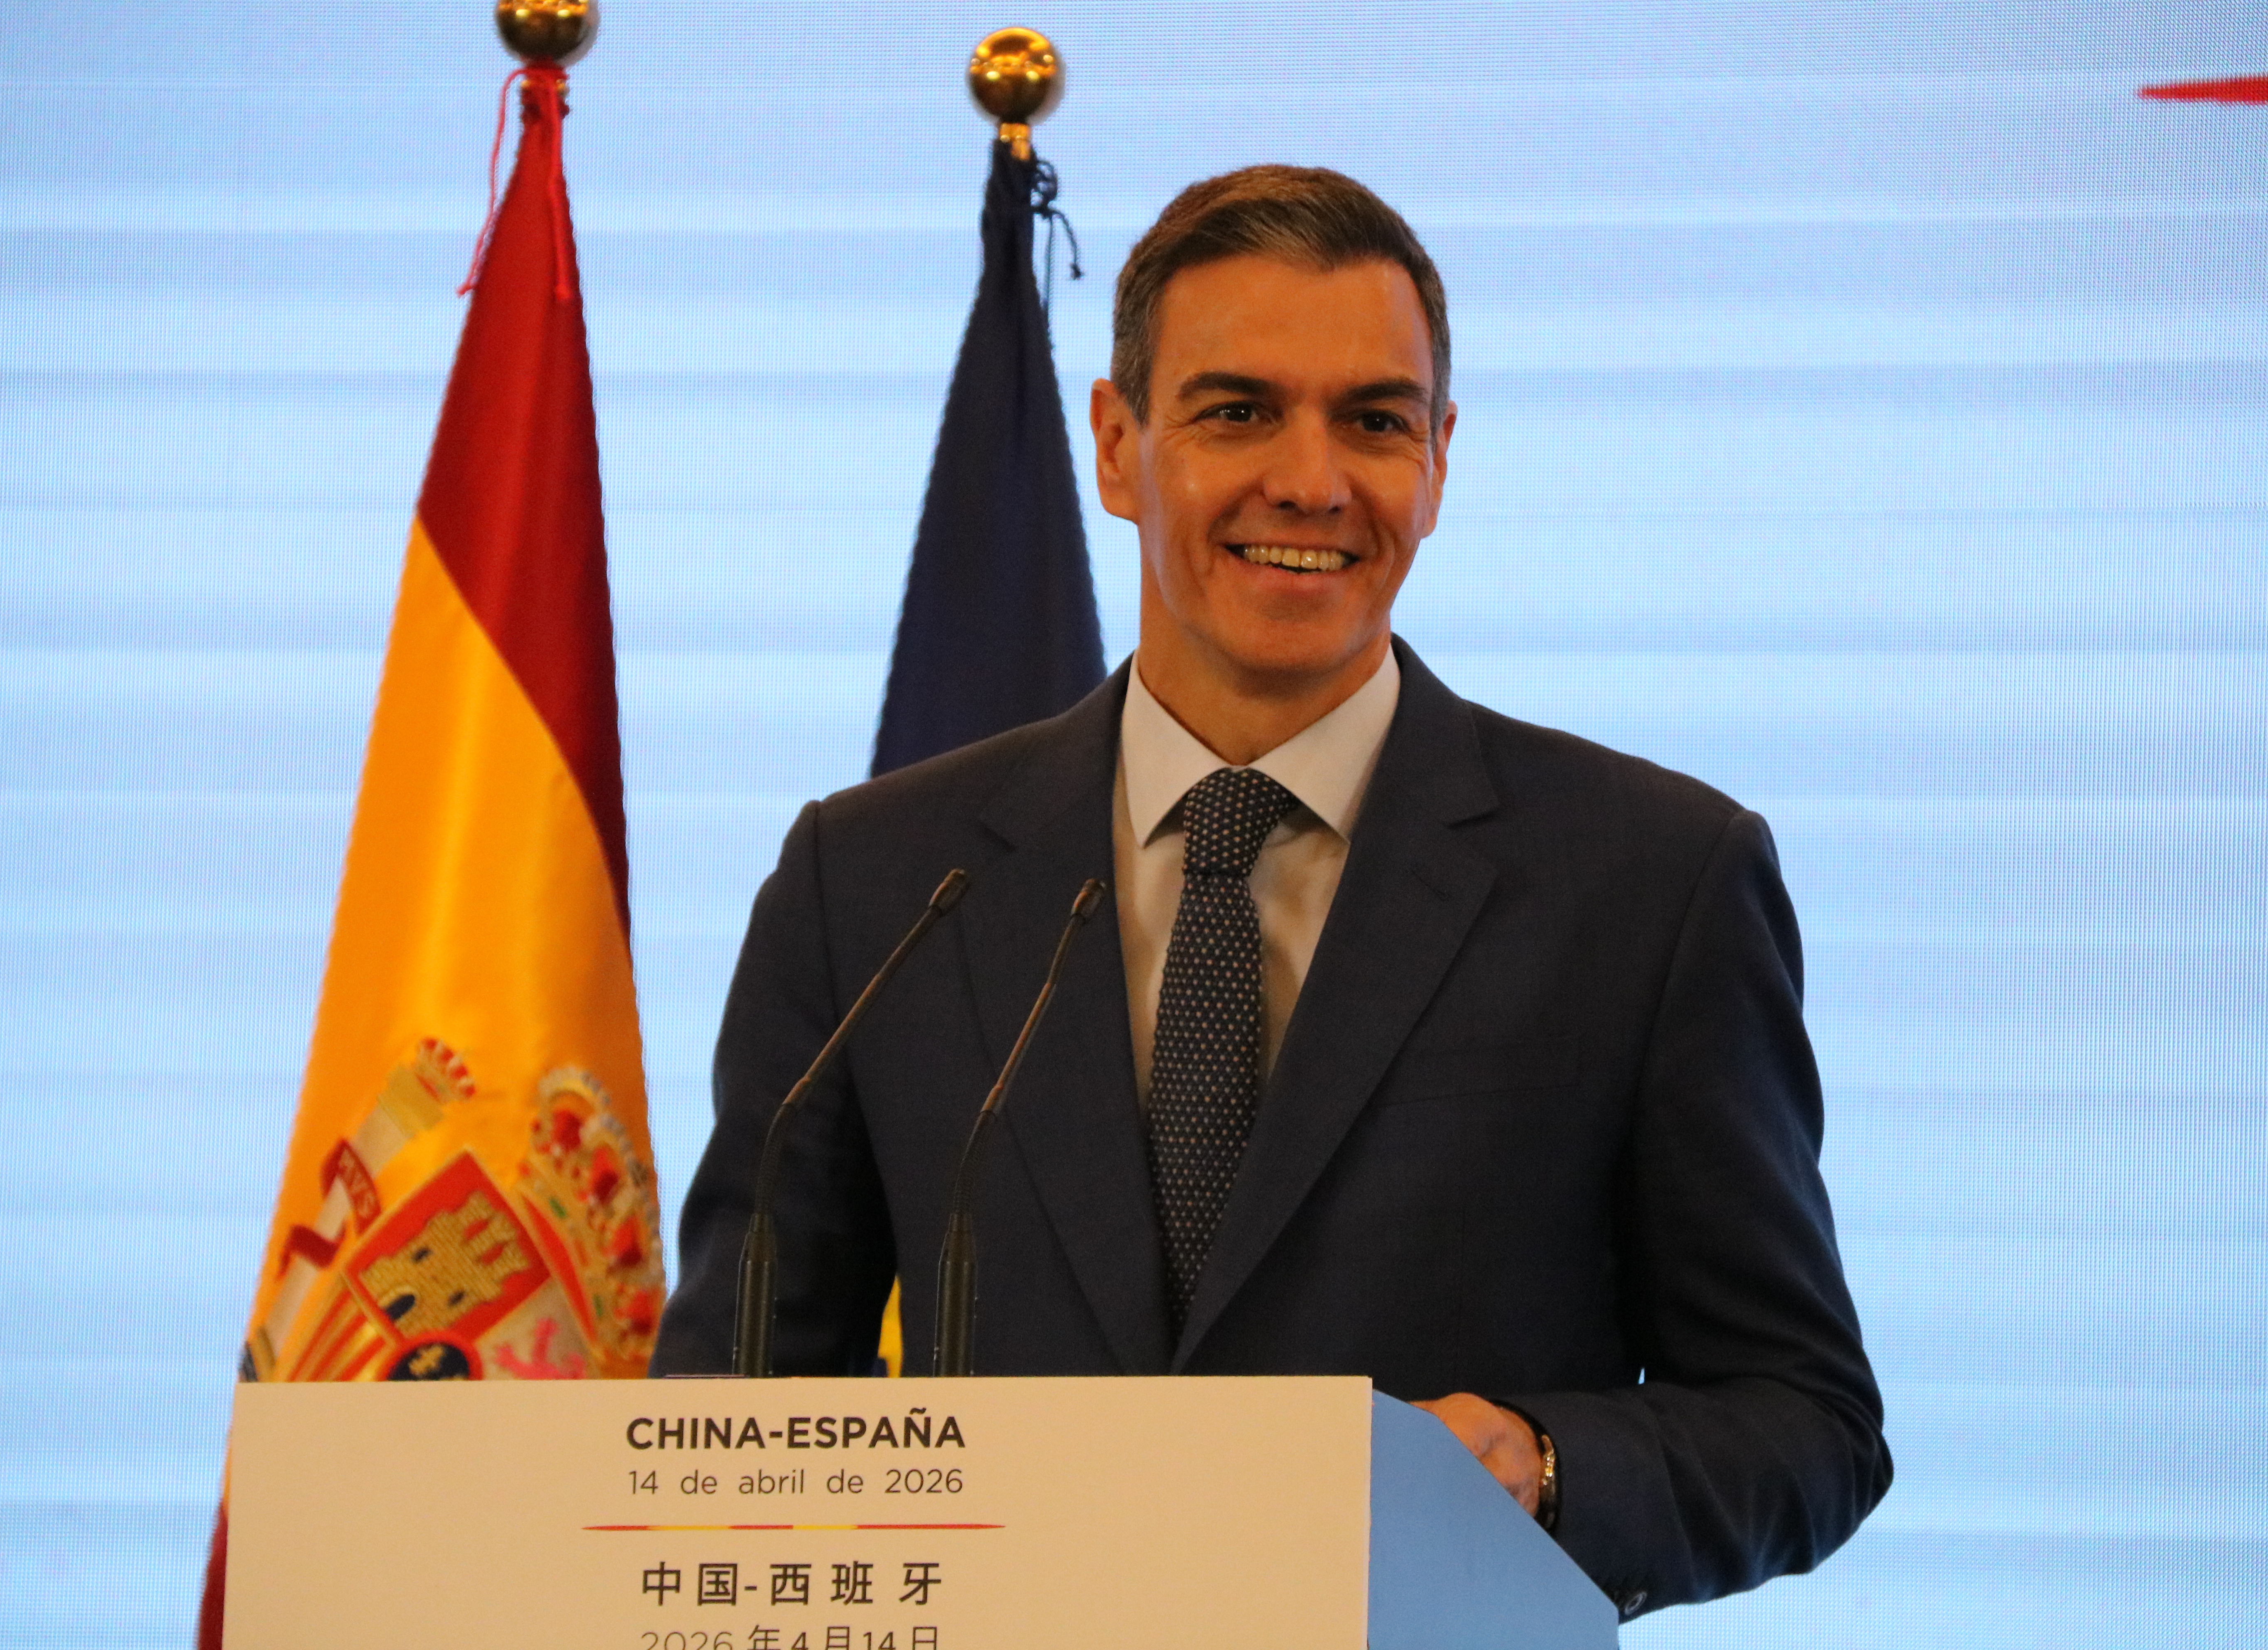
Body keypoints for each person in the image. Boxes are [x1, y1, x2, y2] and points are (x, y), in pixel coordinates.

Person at [652, 165, 1890, 1619]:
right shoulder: (876, 881)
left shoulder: (1654, 879)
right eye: (1237, 412)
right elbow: (735, 1412)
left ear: (1439, 459)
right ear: (1118, 447)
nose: (1310, 481)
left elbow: (1804, 1419)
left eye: (1374, 421)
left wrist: (1547, 1464)